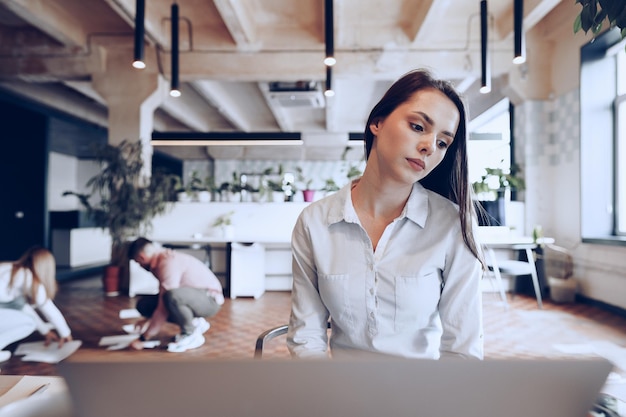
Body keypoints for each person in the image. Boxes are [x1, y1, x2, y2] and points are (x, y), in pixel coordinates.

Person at [287, 69, 485, 360]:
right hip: (339, 395)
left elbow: (463, 350)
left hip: (422, 396)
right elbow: (307, 337)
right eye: (418, 126)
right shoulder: (315, 222)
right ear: (377, 122)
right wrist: (325, 399)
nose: (430, 146)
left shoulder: (452, 224)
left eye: (443, 142)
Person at [127, 237, 224, 352]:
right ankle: (195, 323)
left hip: (210, 301)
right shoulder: (160, 260)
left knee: (172, 296)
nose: (140, 266)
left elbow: (164, 305)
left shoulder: (167, 262)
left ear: (142, 257)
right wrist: (148, 320)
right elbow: (162, 298)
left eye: (138, 262)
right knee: (145, 304)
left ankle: (191, 334)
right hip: (193, 296)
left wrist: (143, 339)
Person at [0, 246, 73, 362]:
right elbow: (49, 309)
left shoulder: (10, 269)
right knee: (29, 323)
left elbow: (22, 307)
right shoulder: (29, 278)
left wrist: (45, 331)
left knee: (24, 316)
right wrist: (65, 333)